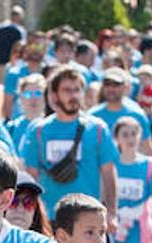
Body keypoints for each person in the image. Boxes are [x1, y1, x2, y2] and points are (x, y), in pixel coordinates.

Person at [18, 67, 118, 228]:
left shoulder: (98, 129)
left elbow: (108, 173)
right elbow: (31, 176)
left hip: (89, 217)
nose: (73, 95)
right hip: (50, 219)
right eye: (66, 90)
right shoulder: (38, 131)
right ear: (54, 95)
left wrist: (112, 213)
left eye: (77, 90)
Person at [0, 6, 28, 80]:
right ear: (20, 16)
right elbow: (22, 46)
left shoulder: (0, 27)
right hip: (14, 64)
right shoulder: (21, 31)